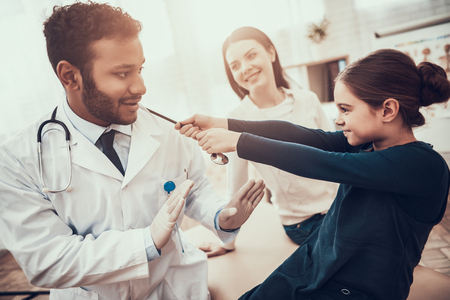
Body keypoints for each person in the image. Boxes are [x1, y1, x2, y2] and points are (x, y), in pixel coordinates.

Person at [0, 2, 265, 299]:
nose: (140, 87)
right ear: (70, 77)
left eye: (139, 69)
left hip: (178, 289)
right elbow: (47, 261)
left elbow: (194, 188)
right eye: (123, 74)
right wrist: (147, 241)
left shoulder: (164, 129)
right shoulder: (16, 160)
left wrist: (221, 217)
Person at [176, 48, 450, 299]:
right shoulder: (366, 144)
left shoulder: (423, 166)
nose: (338, 119)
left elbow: (323, 163)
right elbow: (300, 135)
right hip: (313, 267)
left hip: (357, 290)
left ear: (388, 110)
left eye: (345, 109)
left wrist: (239, 142)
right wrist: (219, 123)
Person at [198, 27, 338, 257]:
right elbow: (237, 190)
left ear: (271, 53)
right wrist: (227, 242)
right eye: (235, 65)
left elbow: (338, 153)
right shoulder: (235, 120)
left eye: (251, 55)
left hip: (341, 205)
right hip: (304, 224)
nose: (245, 68)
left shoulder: (308, 99)